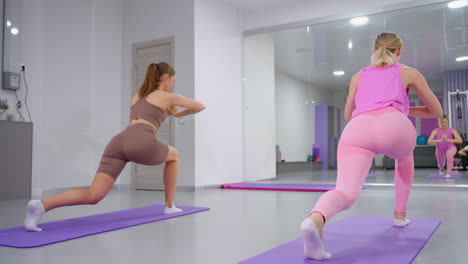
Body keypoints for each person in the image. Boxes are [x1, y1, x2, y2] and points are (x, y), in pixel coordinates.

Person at [300, 32, 442, 260]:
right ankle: (399, 215)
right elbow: (436, 111)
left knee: (345, 192)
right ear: (399, 51)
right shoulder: (408, 72)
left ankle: (314, 219)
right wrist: (403, 109)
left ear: (374, 50)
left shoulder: (358, 76)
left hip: (358, 128)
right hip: (395, 126)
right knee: (404, 158)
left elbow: (348, 114)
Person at [24, 62, 205, 232]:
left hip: (118, 142)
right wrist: (178, 113)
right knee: (174, 155)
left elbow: (148, 111)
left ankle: (42, 205)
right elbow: (200, 106)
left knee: (93, 194)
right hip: (141, 141)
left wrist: (169, 110)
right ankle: (169, 205)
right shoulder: (168, 97)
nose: (172, 83)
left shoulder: (138, 95)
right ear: (166, 77)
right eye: (173, 79)